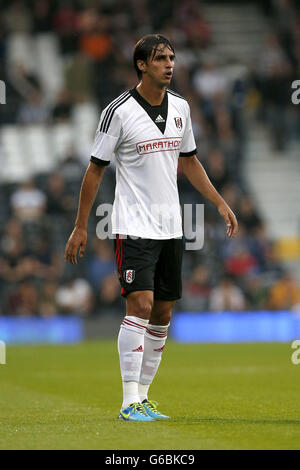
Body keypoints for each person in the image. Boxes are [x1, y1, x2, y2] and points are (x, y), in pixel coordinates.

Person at [64, 34, 238, 422]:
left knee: (162, 314)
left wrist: (219, 201)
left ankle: (143, 398)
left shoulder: (181, 107)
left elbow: (189, 161)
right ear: (142, 64)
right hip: (132, 224)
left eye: (172, 57)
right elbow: (95, 170)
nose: (169, 64)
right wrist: (80, 226)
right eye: (160, 58)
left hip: (171, 227)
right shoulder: (118, 111)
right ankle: (128, 402)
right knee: (139, 305)